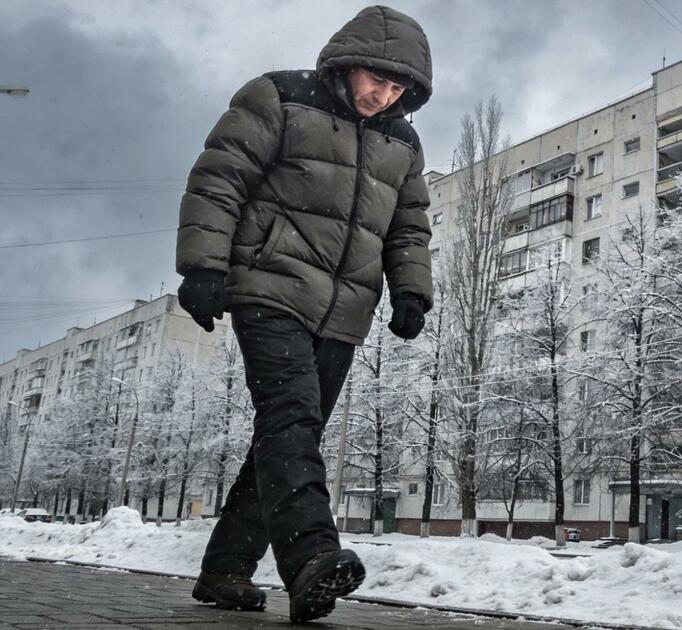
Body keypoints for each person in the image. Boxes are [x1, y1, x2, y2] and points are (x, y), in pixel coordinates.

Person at [173, 5, 434, 623]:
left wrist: (411, 292)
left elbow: (408, 226)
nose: (383, 93)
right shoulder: (280, 97)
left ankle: (226, 569)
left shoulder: (403, 140)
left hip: (344, 310)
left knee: (291, 435)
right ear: (348, 62)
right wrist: (204, 266)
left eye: (399, 87)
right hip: (270, 285)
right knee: (290, 415)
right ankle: (312, 555)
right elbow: (219, 179)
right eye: (377, 78)